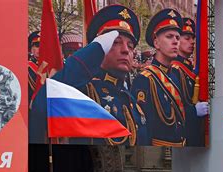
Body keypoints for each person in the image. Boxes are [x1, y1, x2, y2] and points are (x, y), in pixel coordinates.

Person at [30, 4, 147, 146]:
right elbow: (41, 105)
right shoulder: (83, 92)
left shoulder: (132, 102)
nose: (125, 50)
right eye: (115, 42)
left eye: (130, 46)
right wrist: (94, 50)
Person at [131, 9, 185, 146]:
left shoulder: (177, 75)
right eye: (169, 36)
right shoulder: (145, 79)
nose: (175, 42)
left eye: (178, 38)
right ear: (156, 43)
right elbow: (143, 127)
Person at [170, 18, 209, 146]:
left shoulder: (189, 68)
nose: (192, 42)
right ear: (177, 40)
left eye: (193, 38)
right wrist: (194, 111)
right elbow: (172, 110)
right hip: (184, 137)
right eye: (187, 38)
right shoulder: (174, 70)